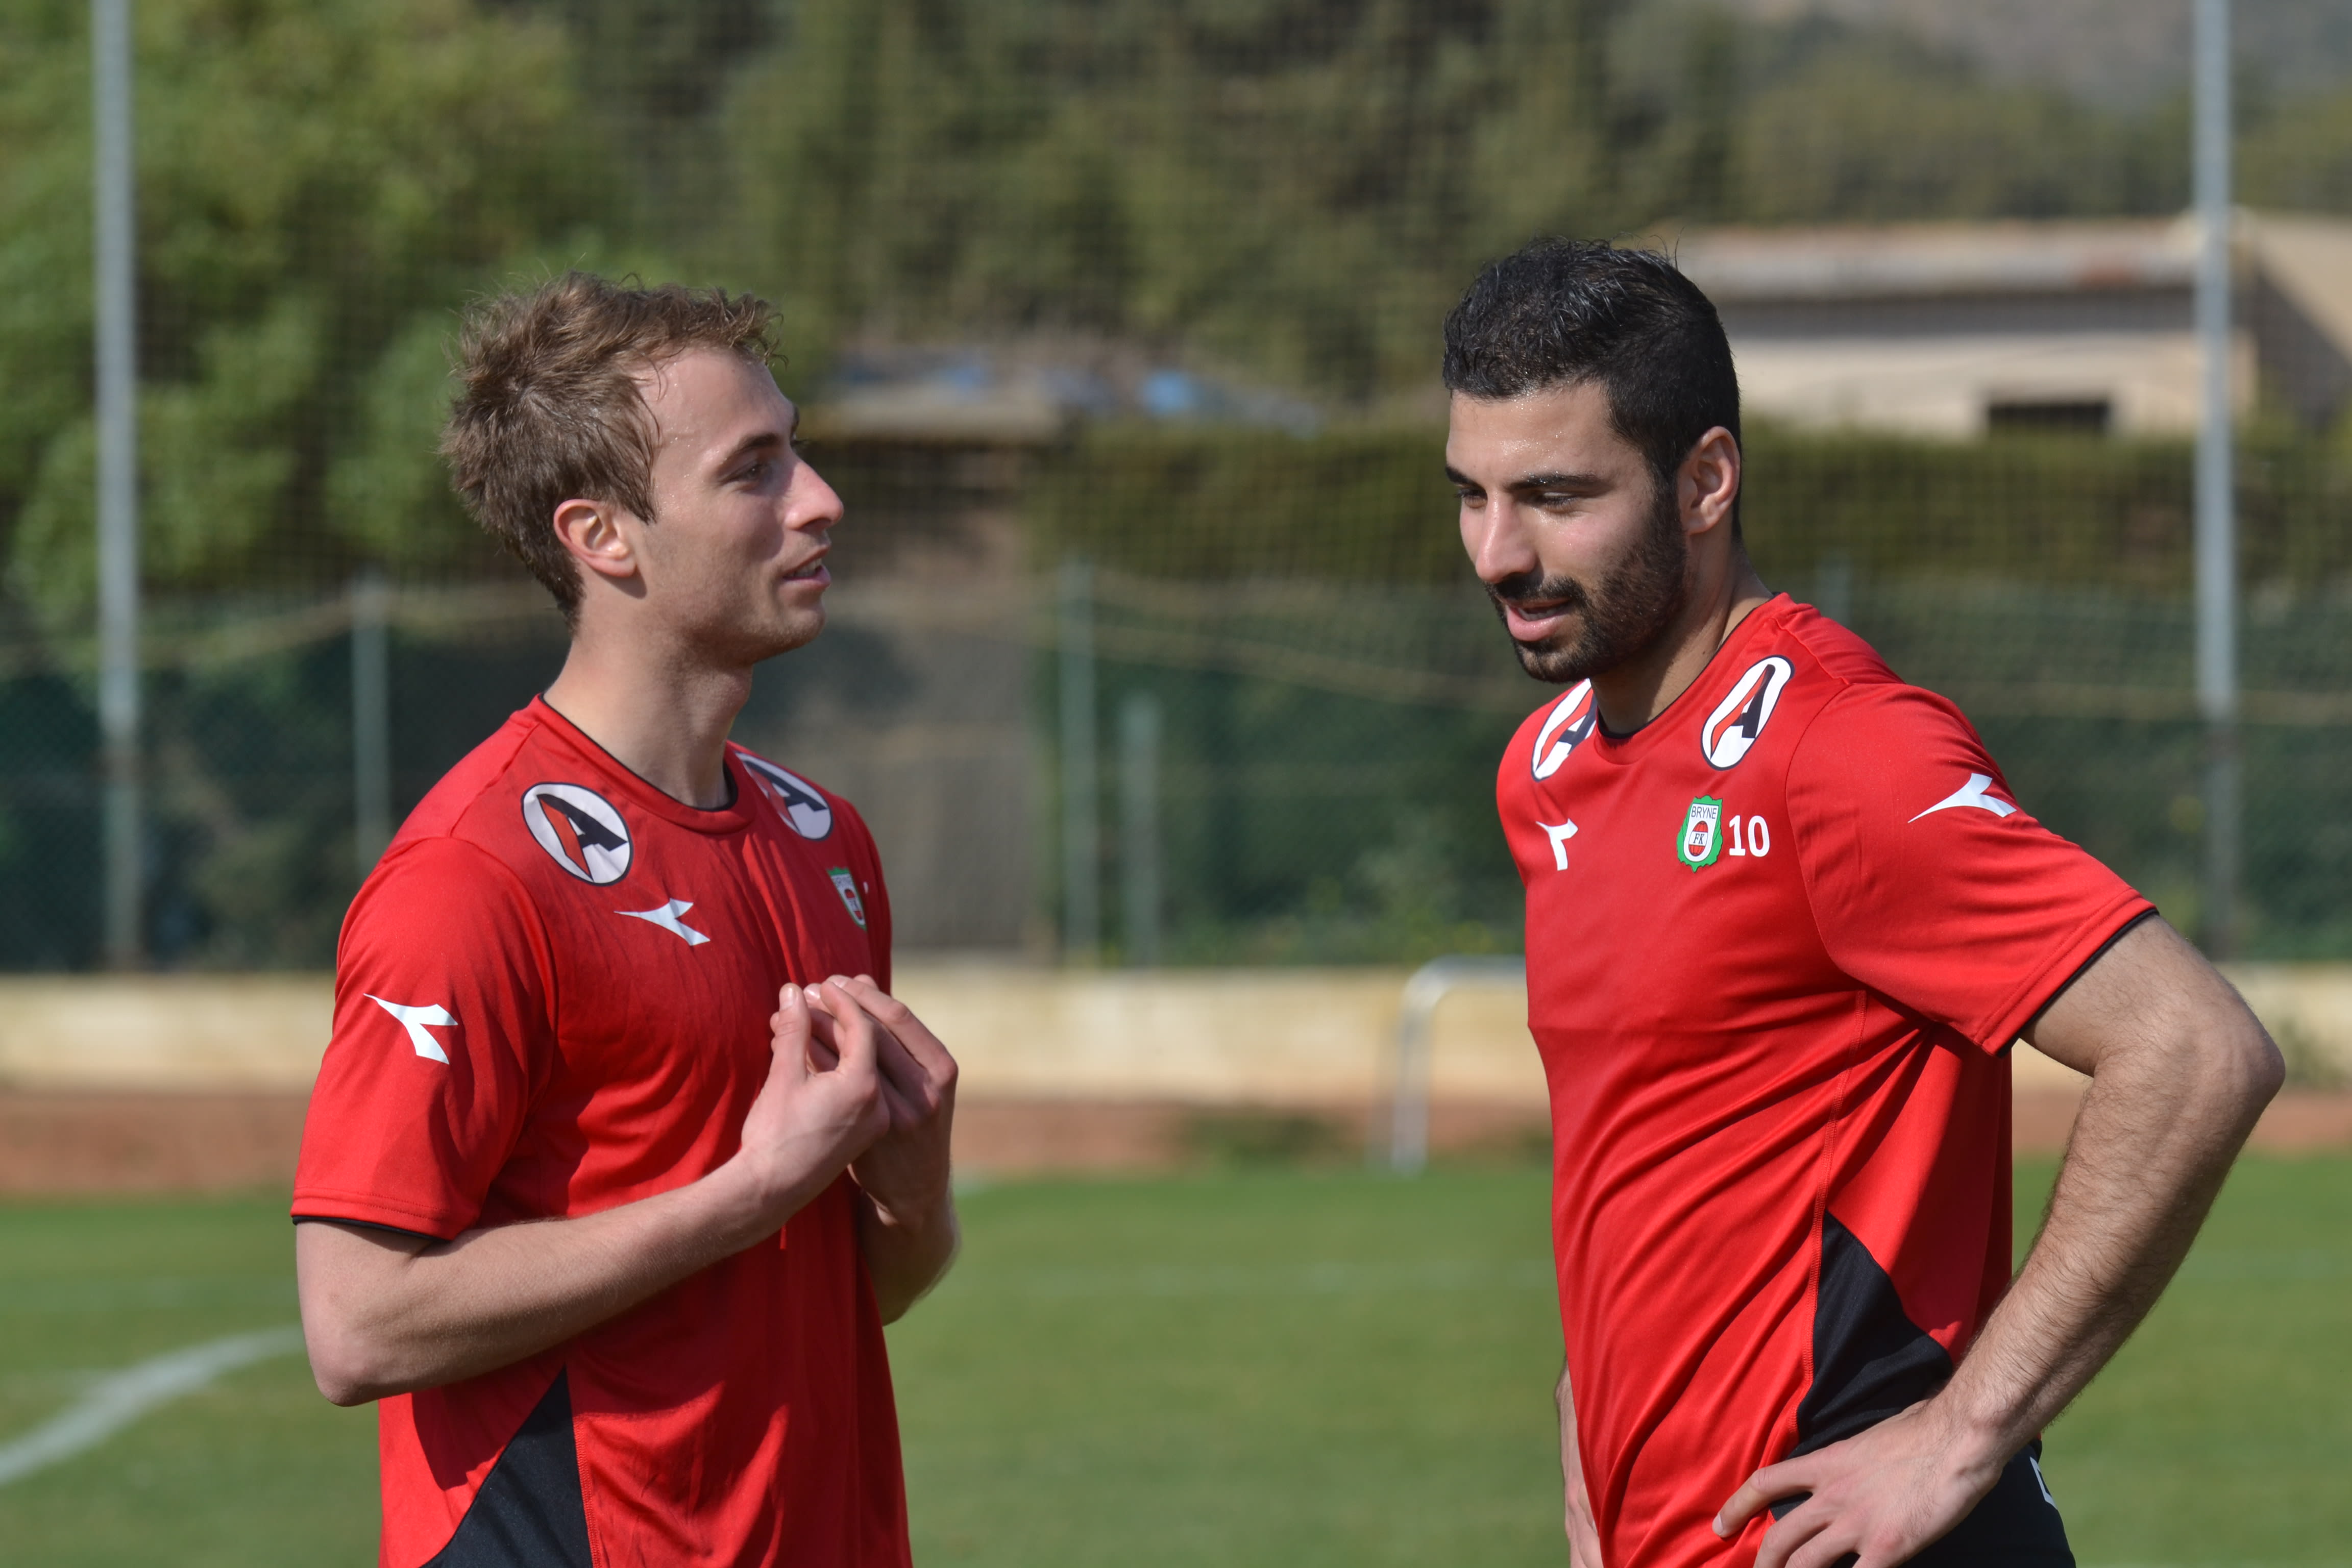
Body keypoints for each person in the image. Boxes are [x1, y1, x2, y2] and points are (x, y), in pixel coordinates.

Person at [1442, 239, 2283, 1568]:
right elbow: (1659, 1145)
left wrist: (1958, 1436)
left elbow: (2194, 1049)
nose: (1498, 552)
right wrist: (1590, 1413)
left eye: (1555, 497)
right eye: (1474, 496)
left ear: (1705, 481)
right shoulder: (1544, 771)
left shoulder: (1840, 753)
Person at [291, 273, 959, 1568]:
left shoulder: (823, 841)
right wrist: (751, 1188)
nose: (819, 499)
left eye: (798, 449)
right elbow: (356, 1327)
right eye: (753, 471)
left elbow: (851, 1297)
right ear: (604, 537)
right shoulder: (473, 876)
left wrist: (913, 1191)